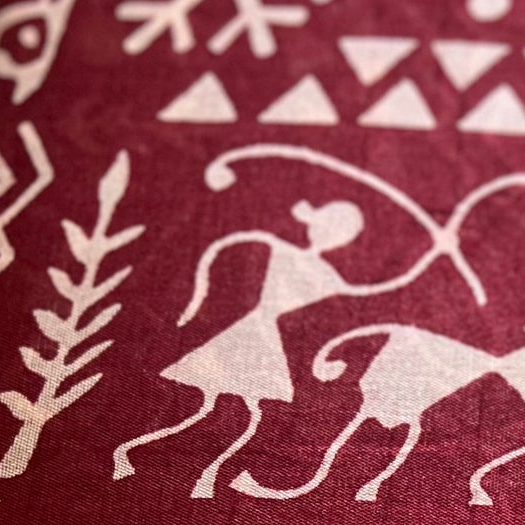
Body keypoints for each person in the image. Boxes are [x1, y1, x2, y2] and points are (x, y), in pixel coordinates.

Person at [111, 197, 369, 498]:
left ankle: (194, 472)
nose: (330, 236)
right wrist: (196, 300)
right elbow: (221, 252)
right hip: (251, 337)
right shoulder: (292, 255)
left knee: (241, 415)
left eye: (338, 233)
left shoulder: (321, 271)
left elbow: (365, 291)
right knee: (219, 411)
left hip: (262, 342)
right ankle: (139, 455)